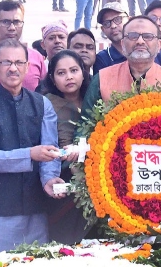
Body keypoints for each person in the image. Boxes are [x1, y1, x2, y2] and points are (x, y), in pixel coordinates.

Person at [0, 39, 65, 253]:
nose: (13, 68)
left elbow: (50, 150)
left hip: (35, 207)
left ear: (27, 67)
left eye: (19, 62)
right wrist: (30, 154)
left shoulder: (42, 104)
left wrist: (49, 179)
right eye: (6, 62)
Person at [39, 50, 91, 244]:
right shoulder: (47, 105)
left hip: (96, 180)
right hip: (63, 179)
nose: (69, 77)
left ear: (83, 72)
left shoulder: (94, 100)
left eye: (74, 70)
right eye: (61, 73)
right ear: (52, 79)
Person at [83, 16, 161, 115]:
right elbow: (86, 121)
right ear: (122, 44)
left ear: (159, 45)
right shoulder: (102, 79)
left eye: (148, 36)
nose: (140, 41)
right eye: (132, 36)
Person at [0, 1, 47, 96]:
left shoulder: (36, 58)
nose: (12, 28)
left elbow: (44, 94)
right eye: (5, 22)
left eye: (17, 22)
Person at [93, 2, 128, 73]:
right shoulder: (102, 59)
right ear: (103, 29)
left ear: (129, 20)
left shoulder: (142, 49)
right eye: (106, 23)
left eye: (117, 19)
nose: (113, 26)